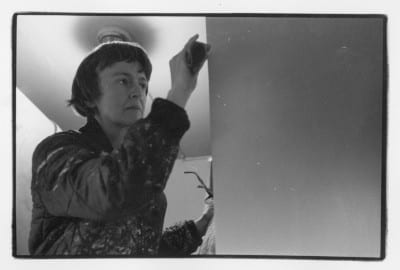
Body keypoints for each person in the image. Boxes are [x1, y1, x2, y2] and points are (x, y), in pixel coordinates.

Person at [28, 34, 213, 256]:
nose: (138, 92)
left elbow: (147, 251)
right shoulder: (55, 153)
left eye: (142, 83)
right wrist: (178, 93)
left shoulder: (144, 182)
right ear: (89, 97)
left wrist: (202, 224)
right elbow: (114, 191)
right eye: (123, 81)